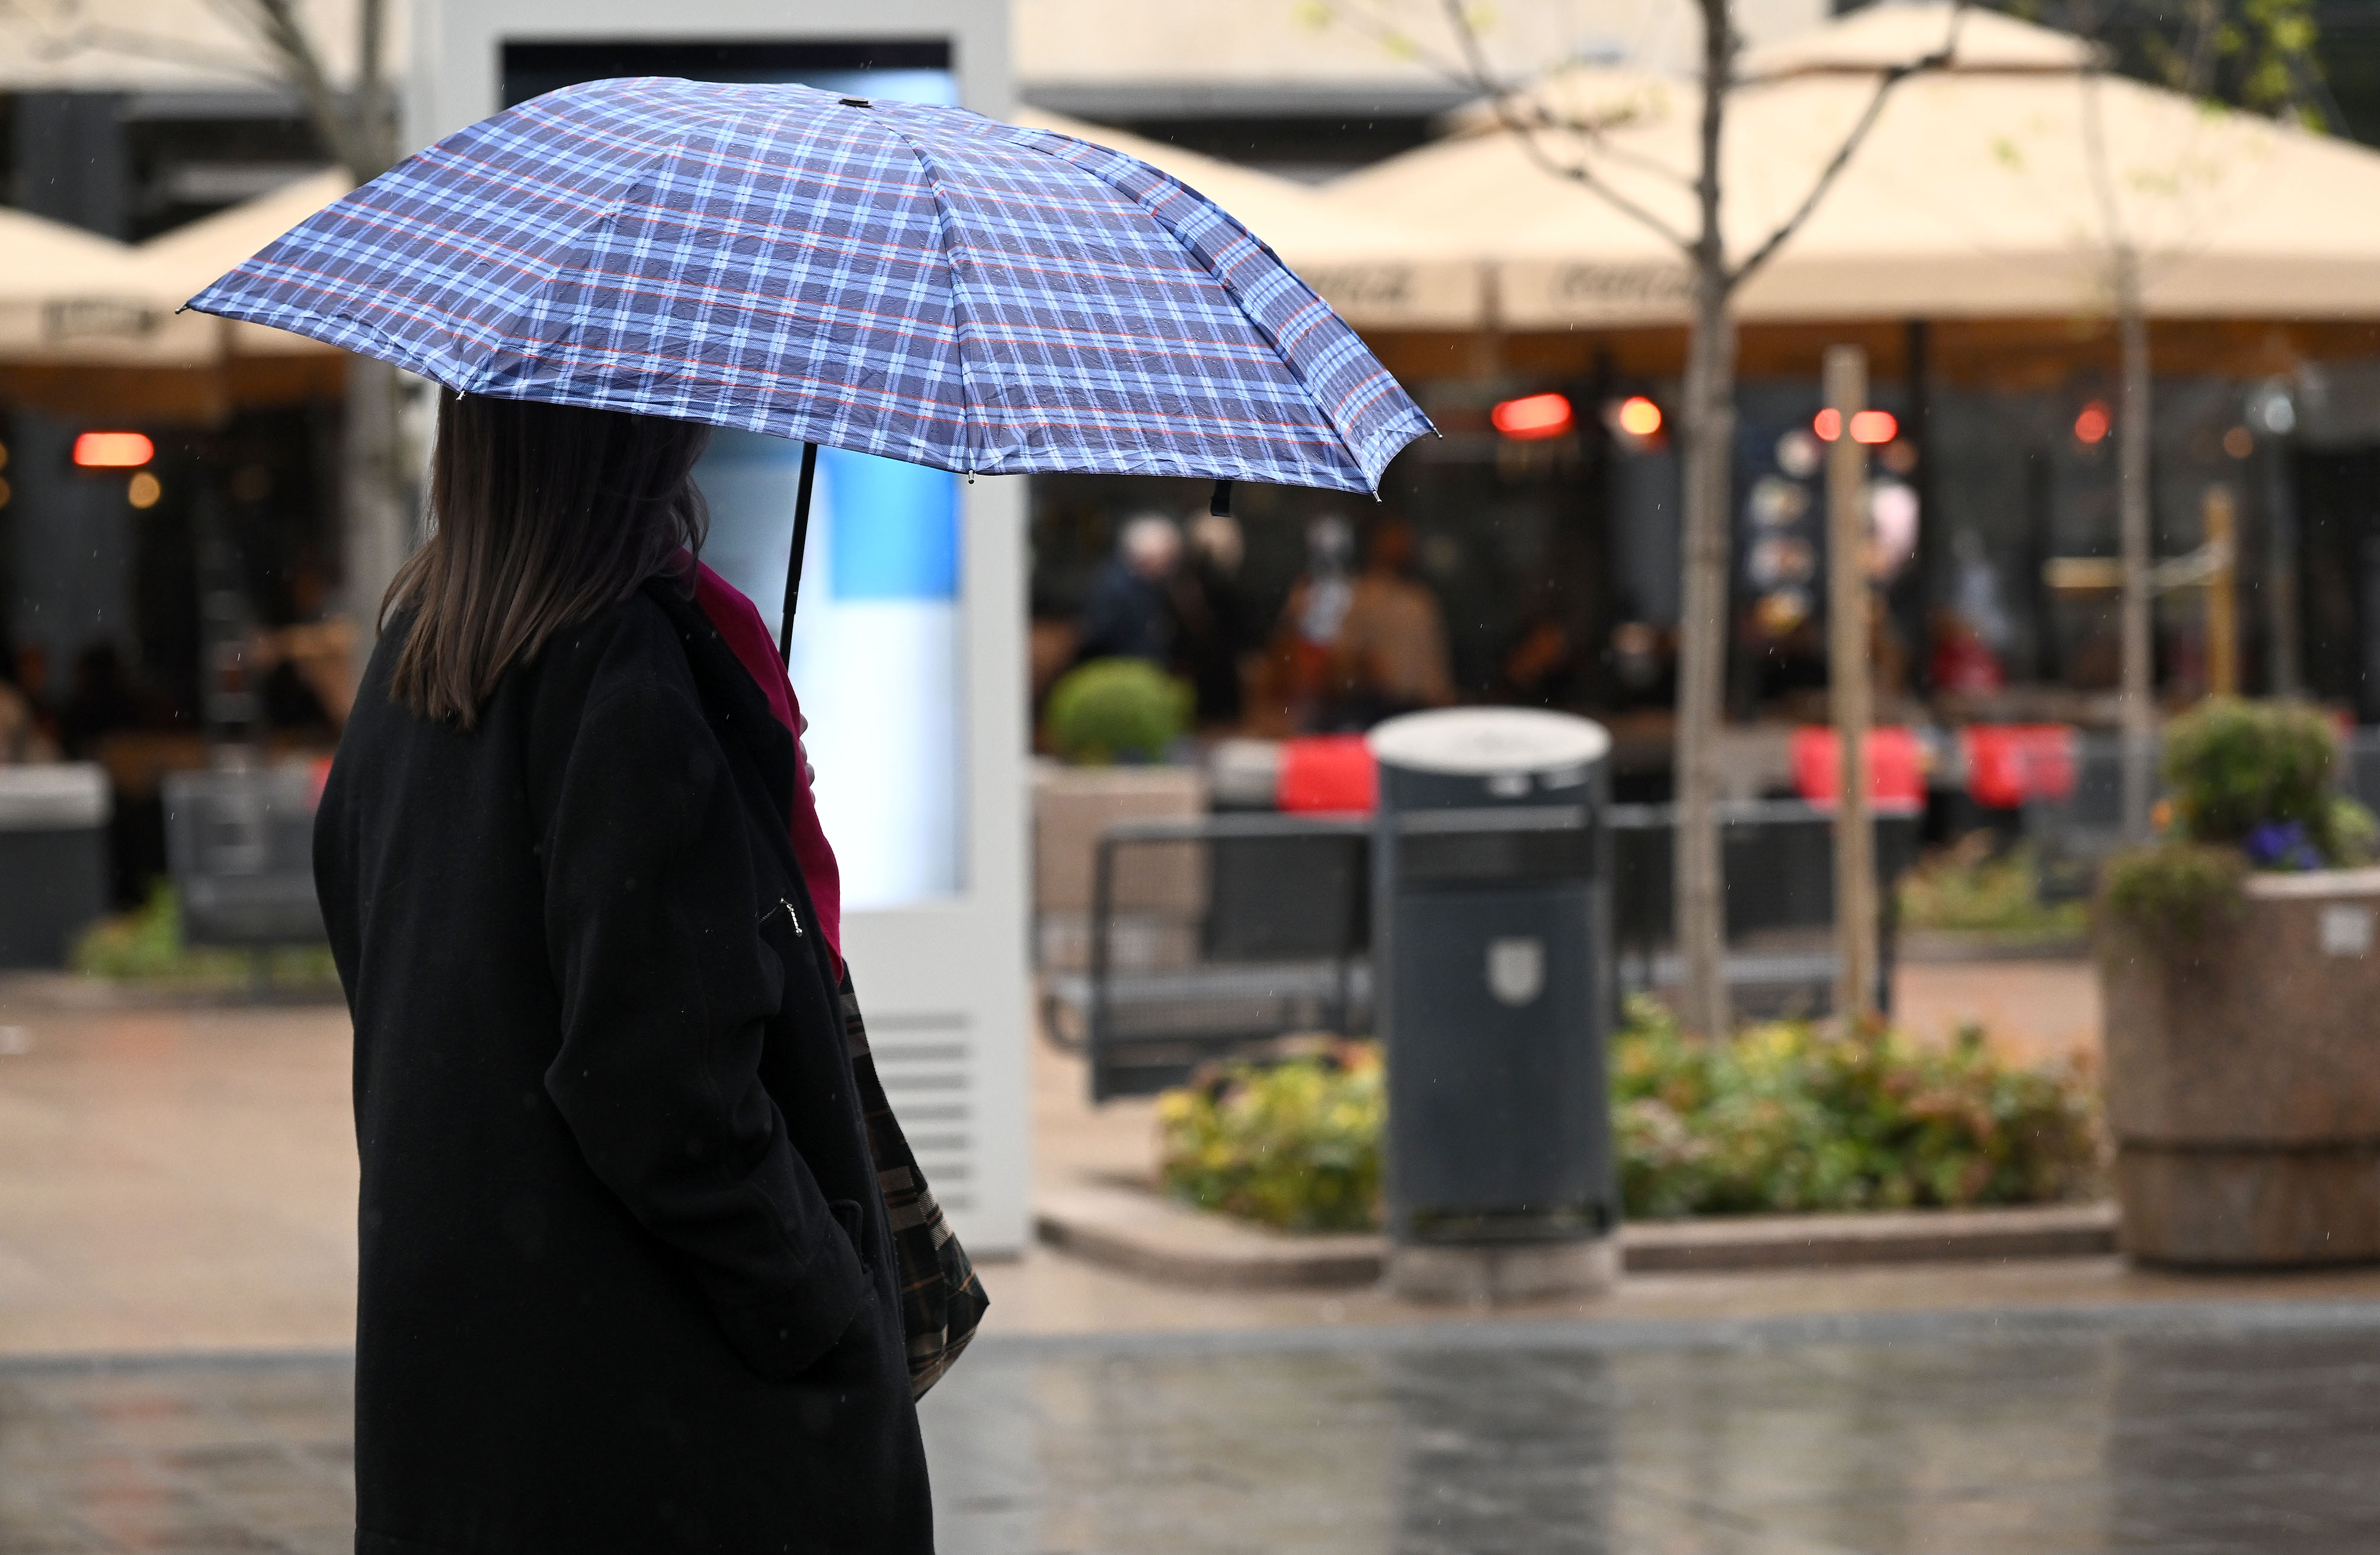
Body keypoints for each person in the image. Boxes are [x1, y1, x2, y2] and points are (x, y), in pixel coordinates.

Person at [313, 391, 975, 1555]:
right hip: (667, 1416)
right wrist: (821, 1303)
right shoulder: (619, 664)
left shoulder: (417, 658)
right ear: (636, 428)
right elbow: (660, 1082)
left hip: (480, 1395)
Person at [1334, 519, 1455, 719]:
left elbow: (1435, 667)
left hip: (1419, 709)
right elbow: (1341, 653)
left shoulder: (1422, 600)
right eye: (1391, 541)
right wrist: (1362, 666)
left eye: (1402, 542)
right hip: (1372, 706)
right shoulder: (1359, 595)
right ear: (1376, 544)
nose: (1397, 548)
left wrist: (1443, 701)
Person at [1073, 511, 1181, 664]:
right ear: (1147, 557)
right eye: (1166, 559)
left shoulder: (1150, 585)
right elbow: (1097, 637)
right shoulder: (1116, 589)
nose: (1170, 567)